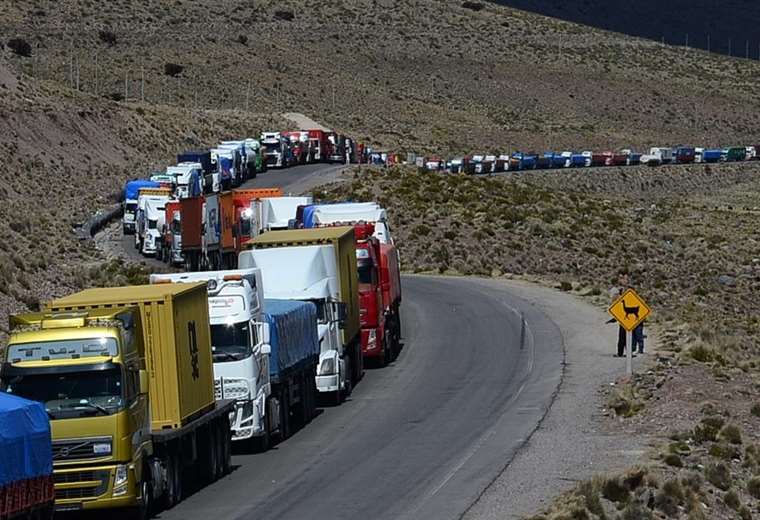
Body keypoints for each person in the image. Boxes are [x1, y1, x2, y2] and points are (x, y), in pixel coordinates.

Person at [609, 271, 635, 358]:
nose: (623, 280)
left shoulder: (630, 289)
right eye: (621, 278)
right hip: (622, 315)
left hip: (630, 314)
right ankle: (621, 352)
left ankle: (629, 352)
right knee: (622, 335)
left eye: (624, 278)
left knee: (629, 334)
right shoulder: (618, 290)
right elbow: (614, 302)